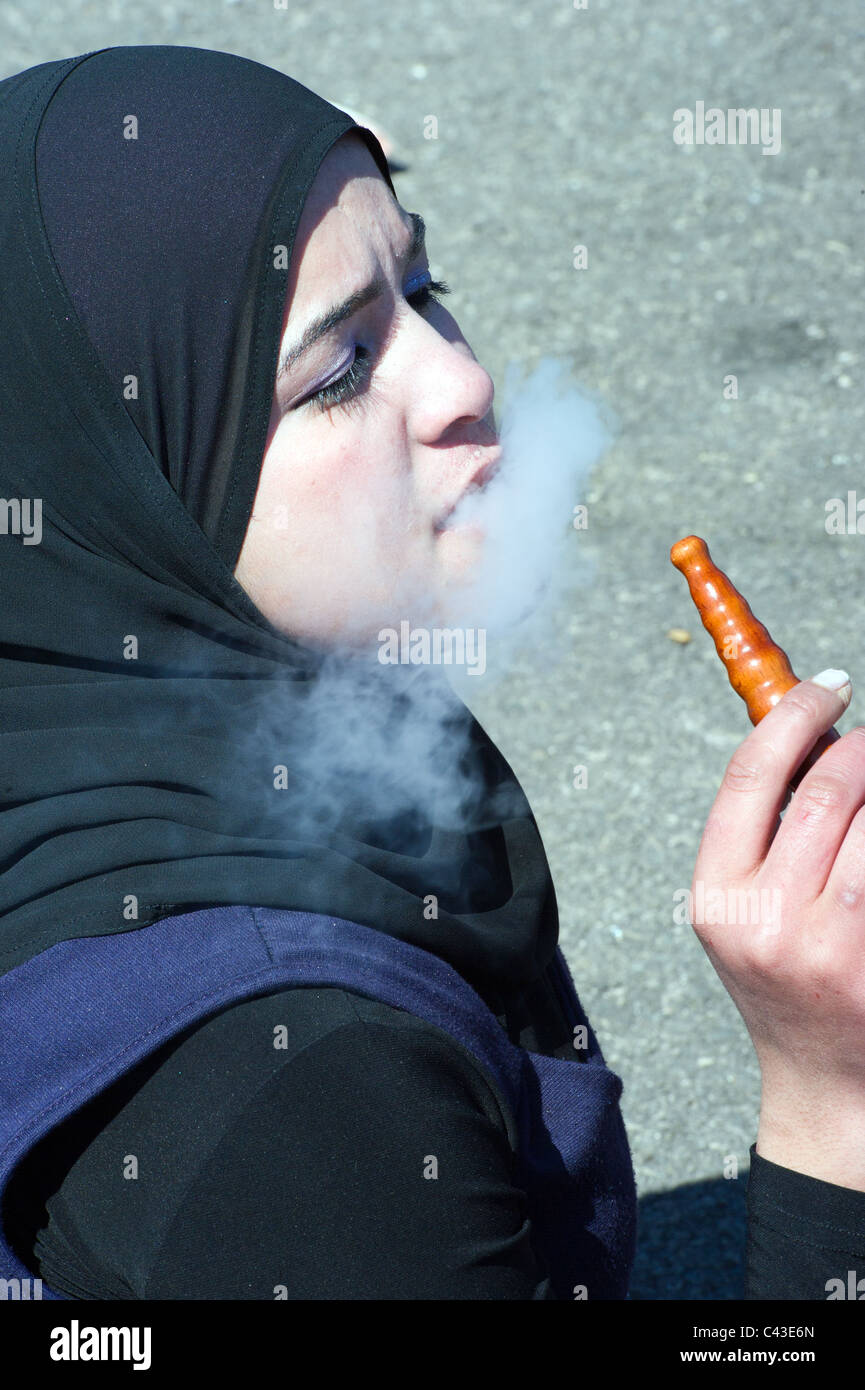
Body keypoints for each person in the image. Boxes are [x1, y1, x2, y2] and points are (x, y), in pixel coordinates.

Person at [0, 46, 862, 1303]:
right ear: (138, 485)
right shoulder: (302, 1098)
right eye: (340, 369)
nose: (464, 381)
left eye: (423, 282)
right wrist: (829, 1108)